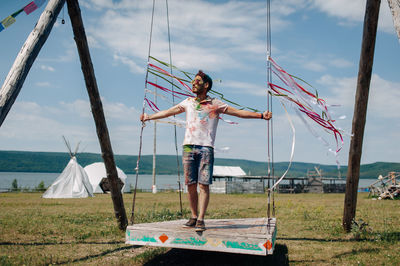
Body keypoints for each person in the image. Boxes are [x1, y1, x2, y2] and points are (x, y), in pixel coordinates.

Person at [140, 70, 272, 232]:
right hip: (188, 147)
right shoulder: (188, 102)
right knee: (190, 184)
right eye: (193, 81)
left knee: (203, 185)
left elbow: (238, 113)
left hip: (205, 148)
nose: (193, 84)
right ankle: (194, 216)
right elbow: (169, 112)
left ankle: (201, 218)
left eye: (197, 81)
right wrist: (148, 116)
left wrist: (260, 115)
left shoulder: (215, 104)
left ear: (206, 85)